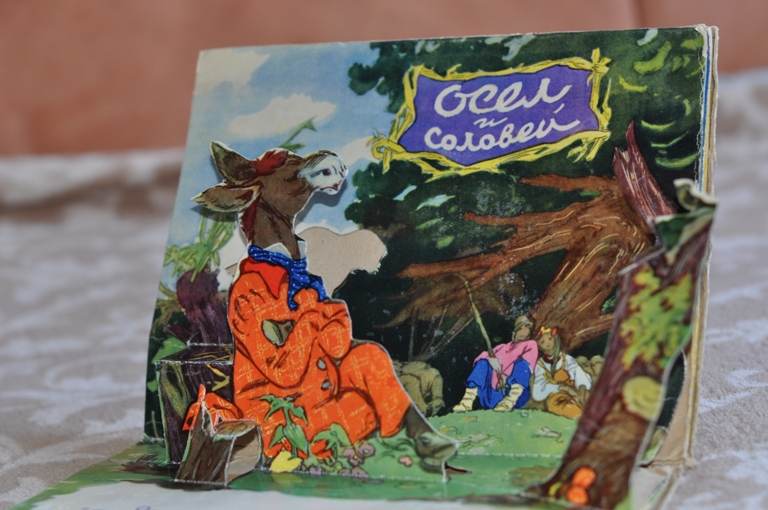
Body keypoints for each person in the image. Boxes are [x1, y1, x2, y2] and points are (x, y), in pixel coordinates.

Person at [183, 143, 457, 473]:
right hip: (276, 406)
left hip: (313, 385)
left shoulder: (300, 278)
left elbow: (336, 345)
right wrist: (315, 316)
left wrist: (316, 317)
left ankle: (422, 440)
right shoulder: (250, 290)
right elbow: (283, 372)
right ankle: (400, 447)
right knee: (354, 409)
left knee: (368, 356)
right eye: (290, 181)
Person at [453, 316, 538, 413]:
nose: (524, 331)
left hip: (513, 392)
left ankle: (509, 401)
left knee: (522, 364)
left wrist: (505, 376)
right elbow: (480, 358)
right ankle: (467, 401)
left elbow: (528, 363)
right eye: (521, 328)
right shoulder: (502, 347)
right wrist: (490, 360)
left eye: (528, 328)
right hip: (493, 394)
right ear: (516, 329)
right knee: (482, 362)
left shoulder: (531, 344)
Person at [531, 326, 592, 419]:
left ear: (555, 338)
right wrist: (562, 388)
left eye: (550, 339)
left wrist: (581, 393)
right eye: (543, 342)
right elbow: (537, 393)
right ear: (539, 346)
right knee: (568, 408)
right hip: (557, 396)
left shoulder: (566, 359)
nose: (547, 343)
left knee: (591, 400)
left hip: (576, 390)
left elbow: (580, 375)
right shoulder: (540, 365)